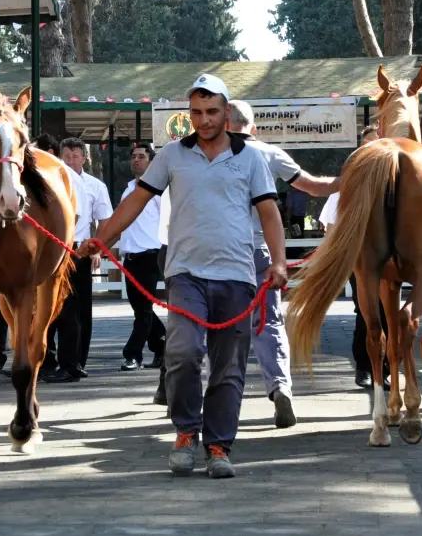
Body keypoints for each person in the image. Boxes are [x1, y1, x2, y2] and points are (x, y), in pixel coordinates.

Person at [80, 74, 287, 479]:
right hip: (185, 273)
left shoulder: (251, 158)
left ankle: (219, 446)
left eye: (212, 112)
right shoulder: (172, 155)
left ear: (227, 112)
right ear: (188, 114)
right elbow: (136, 201)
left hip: (238, 275)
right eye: (196, 112)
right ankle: (186, 433)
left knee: (229, 365)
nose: (205, 120)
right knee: (183, 352)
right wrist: (100, 239)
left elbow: (268, 212)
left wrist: (278, 263)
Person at [228, 101, 339, 429]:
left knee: (220, 325)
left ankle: (220, 395)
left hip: (221, 253)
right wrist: (352, 179)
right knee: (269, 323)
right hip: (260, 252)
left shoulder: (209, 154)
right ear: (254, 128)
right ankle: (280, 387)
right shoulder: (268, 152)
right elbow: (313, 185)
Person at [322, 125, 390, 389]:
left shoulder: (395, 188)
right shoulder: (345, 188)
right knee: (367, 311)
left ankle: (384, 368)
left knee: (387, 312)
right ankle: (366, 367)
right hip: (359, 260)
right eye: (366, 147)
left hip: (389, 258)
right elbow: (330, 227)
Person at [42, 138, 113, 383]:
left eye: (76, 156)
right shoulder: (54, 181)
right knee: (55, 308)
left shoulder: (87, 185)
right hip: (55, 247)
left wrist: (97, 248)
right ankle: (52, 360)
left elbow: (102, 221)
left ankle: (73, 362)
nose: (71, 161)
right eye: (67, 156)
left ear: (85, 158)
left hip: (76, 248)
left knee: (73, 309)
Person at [118, 144, 166, 372]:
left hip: (150, 254)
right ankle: (162, 344)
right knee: (140, 308)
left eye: (141, 156)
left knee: (144, 309)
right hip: (131, 256)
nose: (136, 160)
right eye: (133, 156)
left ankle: (132, 354)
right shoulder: (128, 190)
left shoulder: (158, 190)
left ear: (151, 161)